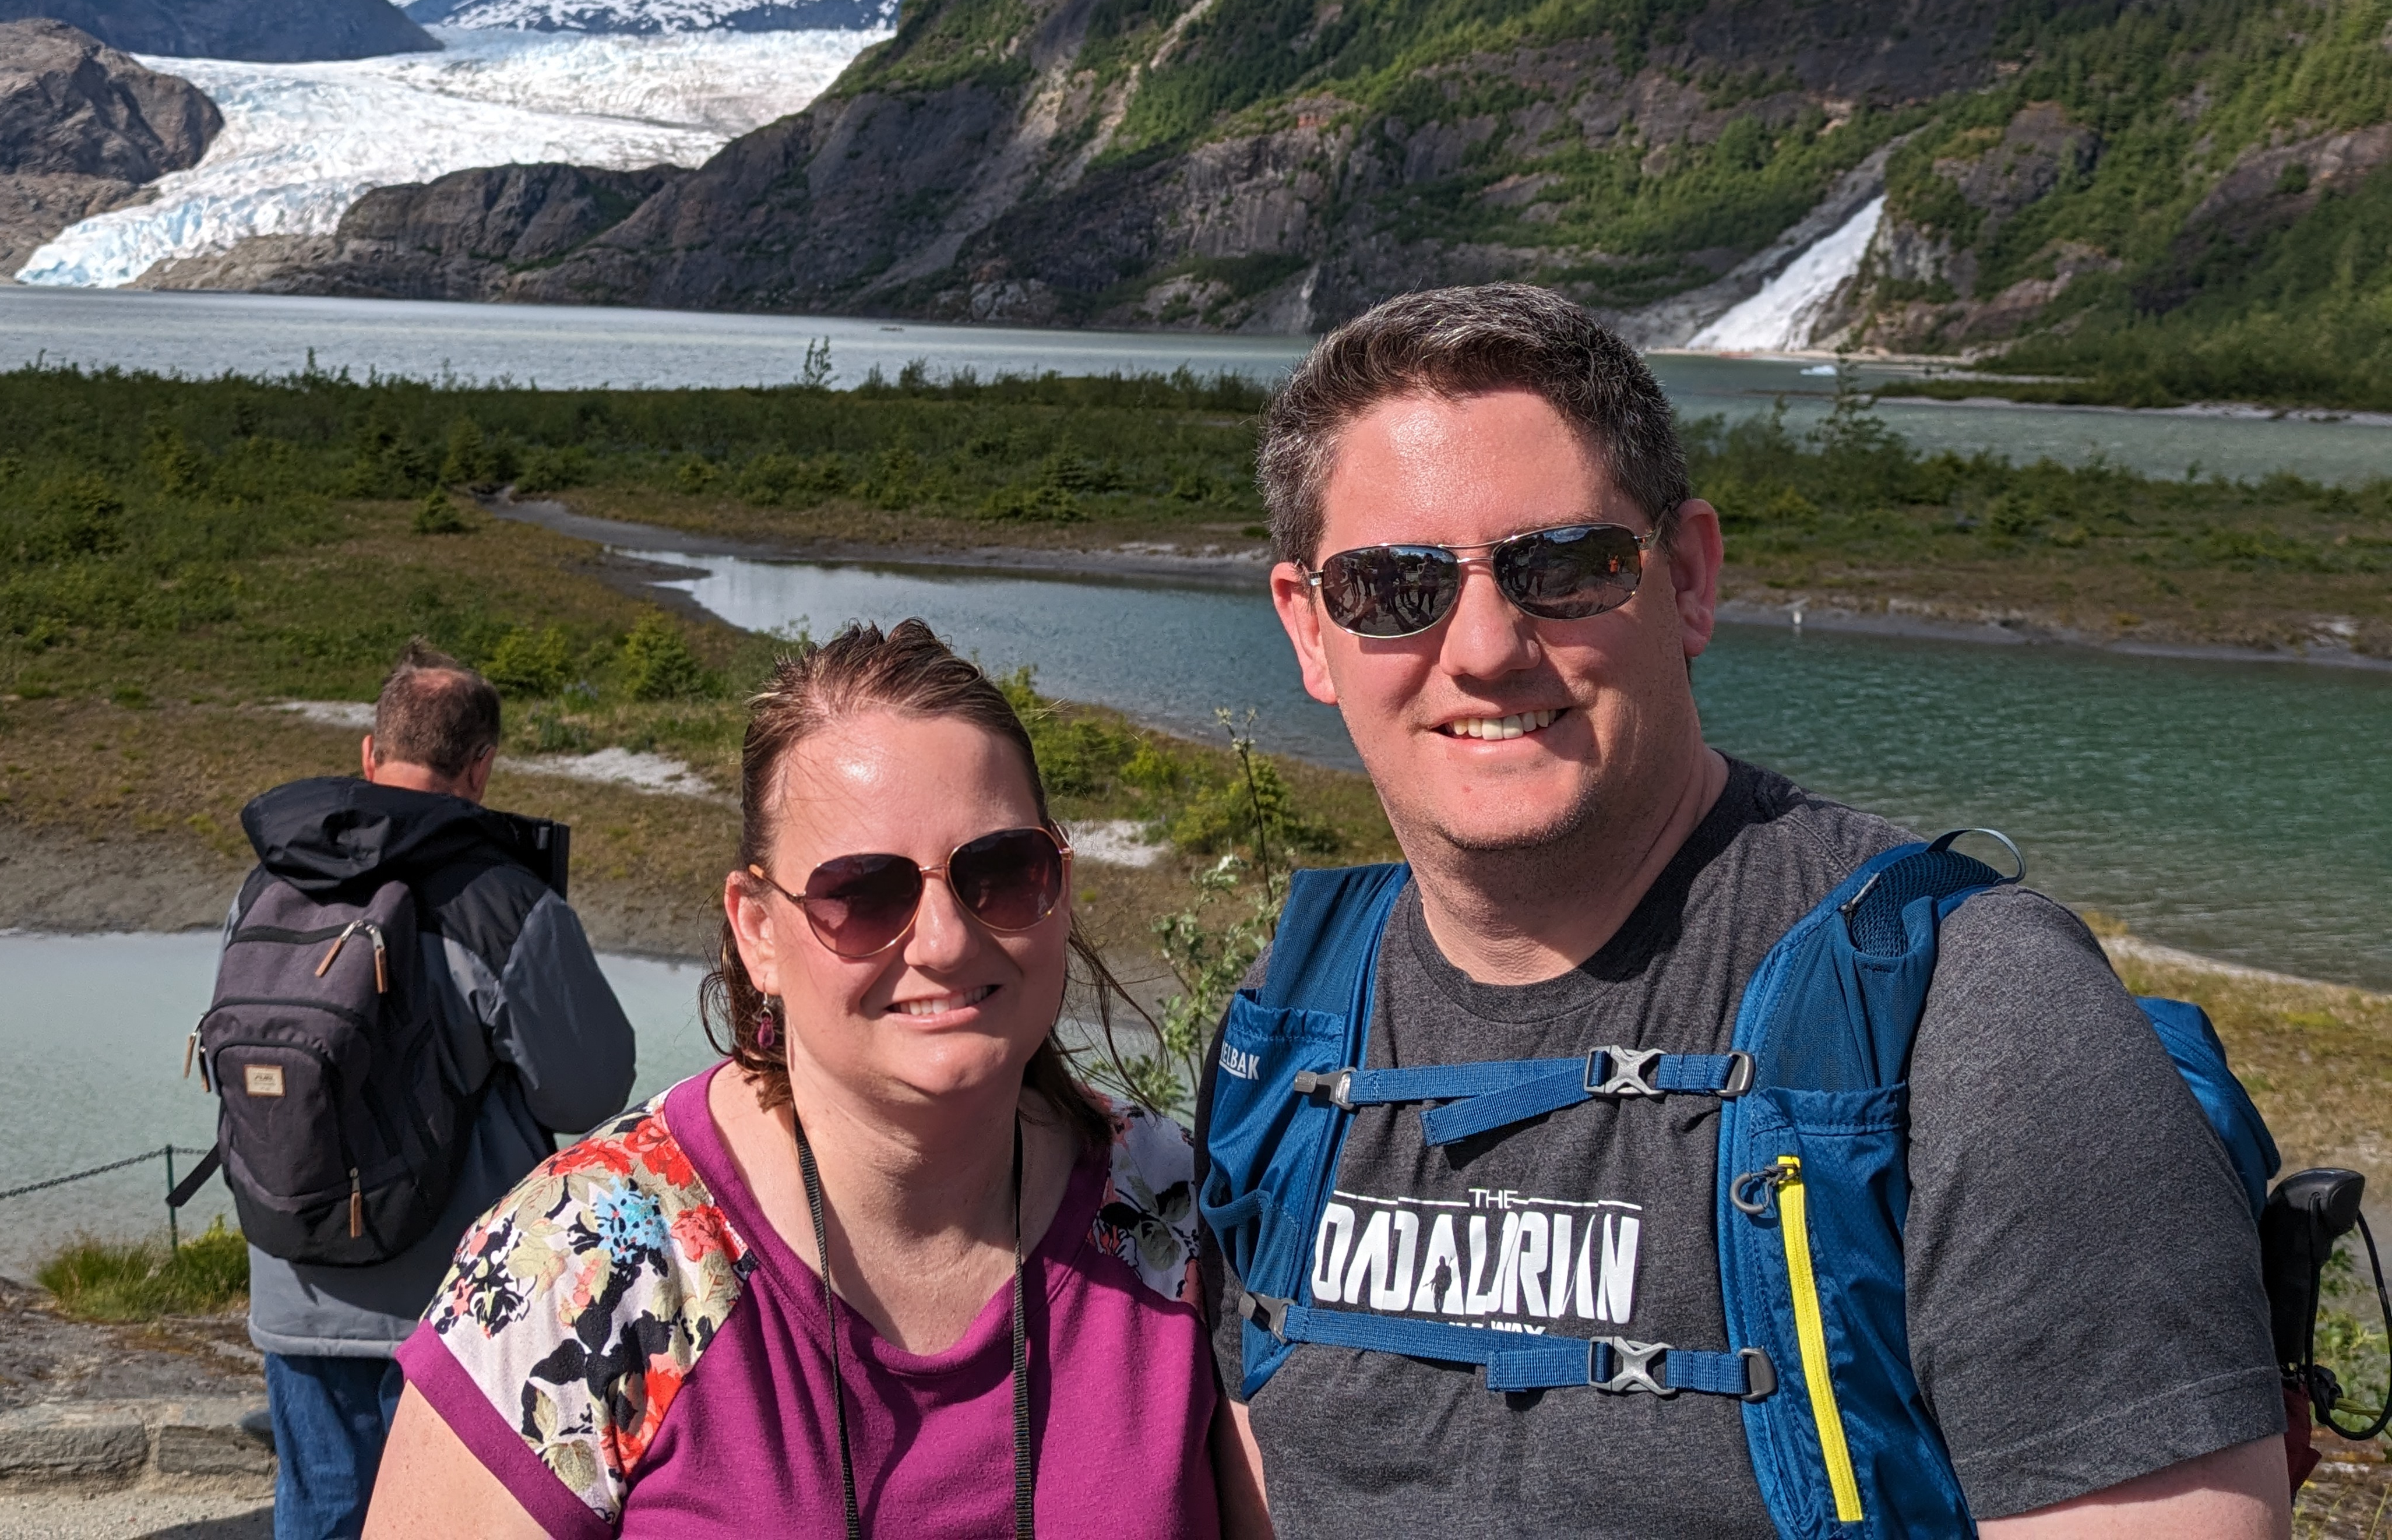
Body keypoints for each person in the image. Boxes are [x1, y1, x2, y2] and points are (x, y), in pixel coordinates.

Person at [1203, 284, 2289, 1537]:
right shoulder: (1290, 1024)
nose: (1486, 645)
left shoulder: (1975, 1011)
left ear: (1689, 578)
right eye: (1391, 586)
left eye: (1562, 566)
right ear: (1308, 627)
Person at [365, 619, 1255, 1538]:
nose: (946, 941)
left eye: (999, 872)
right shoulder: (588, 1266)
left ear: (1058, 882)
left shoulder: (1179, 1214)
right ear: (758, 931)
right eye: (864, 892)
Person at [232, 642, 635, 1540]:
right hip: (458, 1307)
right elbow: (591, 1091)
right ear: (481, 769)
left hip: (294, 1278)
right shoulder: (505, 899)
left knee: (323, 1516)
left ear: (372, 754)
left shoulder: (267, 880)